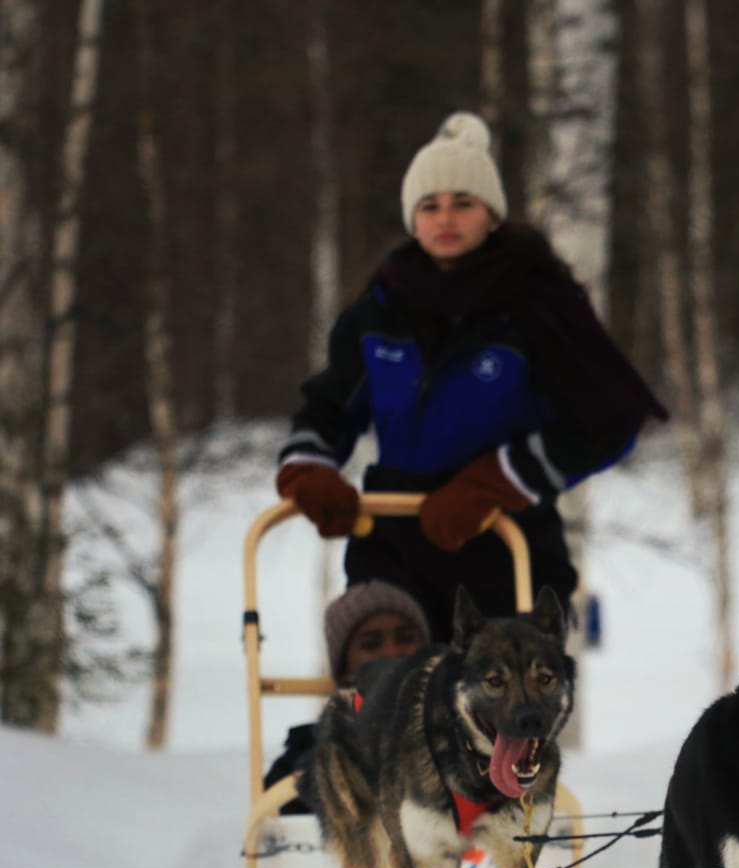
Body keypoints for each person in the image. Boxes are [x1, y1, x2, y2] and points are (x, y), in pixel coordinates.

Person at [273, 112, 667, 640]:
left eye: (464, 203)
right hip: (392, 540)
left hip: (505, 542)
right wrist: (308, 470)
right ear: (413, 219)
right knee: (383, 707)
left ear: (492, 215)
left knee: (493, 713)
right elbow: (327, 407)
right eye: (429, 206)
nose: (446, 218)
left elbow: (607, 424)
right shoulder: (378, 312)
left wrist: (500, 480)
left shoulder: (540, 308)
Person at [262, 581, 431, 812]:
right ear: (344, 670)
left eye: (406, 638)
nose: (391, 653)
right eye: (371, 644)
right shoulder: (297, 767)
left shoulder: (470, 746)